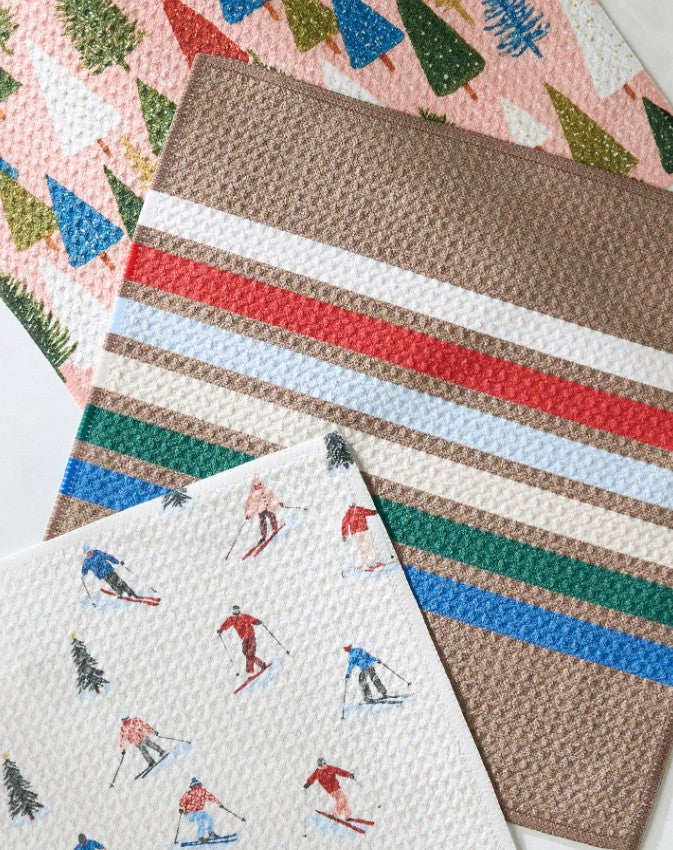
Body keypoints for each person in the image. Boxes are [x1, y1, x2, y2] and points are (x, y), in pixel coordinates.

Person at [217, 606, 266, 675]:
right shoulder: (232, 619)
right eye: (235, 611)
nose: (236, 612)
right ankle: (258, 666)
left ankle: (251, 670)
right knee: (245, 652)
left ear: (239, 610)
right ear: (233, 611)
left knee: (249, 654)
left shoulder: (244, 616)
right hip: (244, 639)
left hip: (251, 637)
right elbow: (226, 624)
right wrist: (221, 629)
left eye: (237, 610)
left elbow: (253, 620)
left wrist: (257, 622)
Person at [179, 778, 224, 843]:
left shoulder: (190, 793)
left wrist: (182, 808)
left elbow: (181, 803)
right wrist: (219, 803)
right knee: (204, 820)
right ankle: (203, 836)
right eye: (197, 786)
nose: (197, 788)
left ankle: (208, 835)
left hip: (195, 812)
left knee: (207, 819)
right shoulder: (202, 792)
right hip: (191, 813)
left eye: (198, 786)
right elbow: (211, 797)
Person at [244, 475, 283, 546]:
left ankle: (275, 528)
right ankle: (263, 536)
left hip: (268, 508)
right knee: (262, 522)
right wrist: (248, 513)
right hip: (260, 510)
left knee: (272, 516)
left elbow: (273, 497)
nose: (258, 487)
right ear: (254, 487)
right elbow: (251, 506)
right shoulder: (253, 496)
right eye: (256, 486)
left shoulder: (266, 491)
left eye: (259, 484)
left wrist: (279, 502)